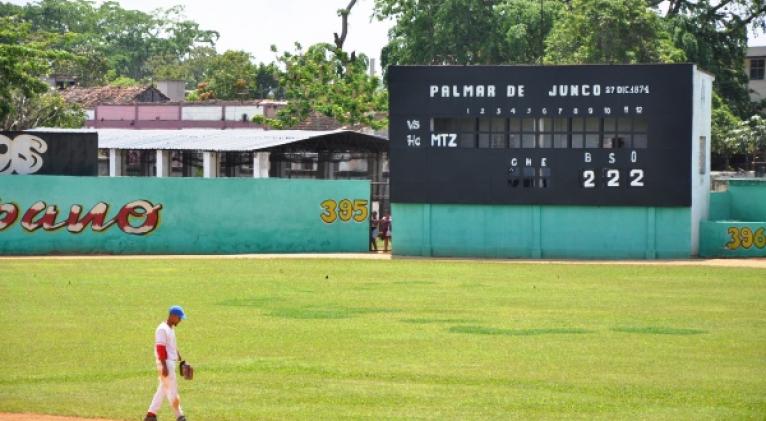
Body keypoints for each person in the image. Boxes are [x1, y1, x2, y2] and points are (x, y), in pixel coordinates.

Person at [145, 305, 188, 421]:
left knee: (163, 389)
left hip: (170, 363)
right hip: (165, 363)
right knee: (172, 390)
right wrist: (164, 366)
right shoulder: (162, 329)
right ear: (173, 316)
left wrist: (180, 358)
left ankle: (151, 415)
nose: (180, 320)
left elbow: (172, 346)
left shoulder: (170, 329)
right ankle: (180, 416)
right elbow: (160, 348)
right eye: (179, 318)